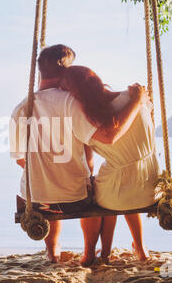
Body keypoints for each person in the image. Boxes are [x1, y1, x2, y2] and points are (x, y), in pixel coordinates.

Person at [10, 45, 149, 264]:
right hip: (75, 200)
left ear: (40, 71)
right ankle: (88, 253)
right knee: (95, 193)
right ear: (66, 69)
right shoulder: (70, 103)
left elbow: (19, 158)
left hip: (36, 201)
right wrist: (135, 101)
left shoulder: (21, 108)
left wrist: (46, 172)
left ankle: (53, 252)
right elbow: (105, 137)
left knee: (50, 190)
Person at [61, 65, 159, 263]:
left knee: (102, 191)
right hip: (152, 187)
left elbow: (90, 159)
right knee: (121, 181)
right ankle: (140, 248)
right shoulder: (137, 98)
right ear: (97, 79)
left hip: (118, 193)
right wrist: (139, 99)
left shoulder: (89, 121)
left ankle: (100, 253)